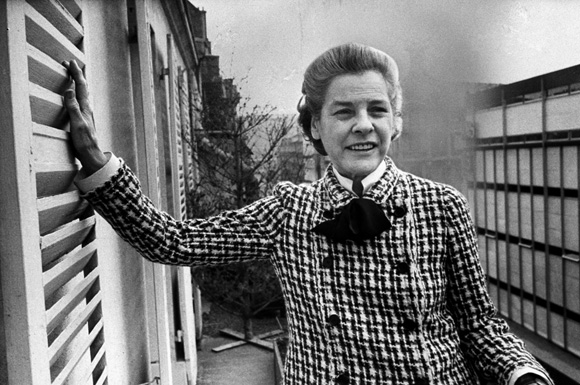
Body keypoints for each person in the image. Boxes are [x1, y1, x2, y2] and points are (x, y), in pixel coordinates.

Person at [63, 43, 553, 385]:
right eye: (344, 112)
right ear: (316, 125)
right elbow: (171, 241)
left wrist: (524, 373)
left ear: (396, 122)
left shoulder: (444, 206)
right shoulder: (288, 211)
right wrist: (99, 165)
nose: (364, 126)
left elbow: (480, 324)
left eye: (377, 110)